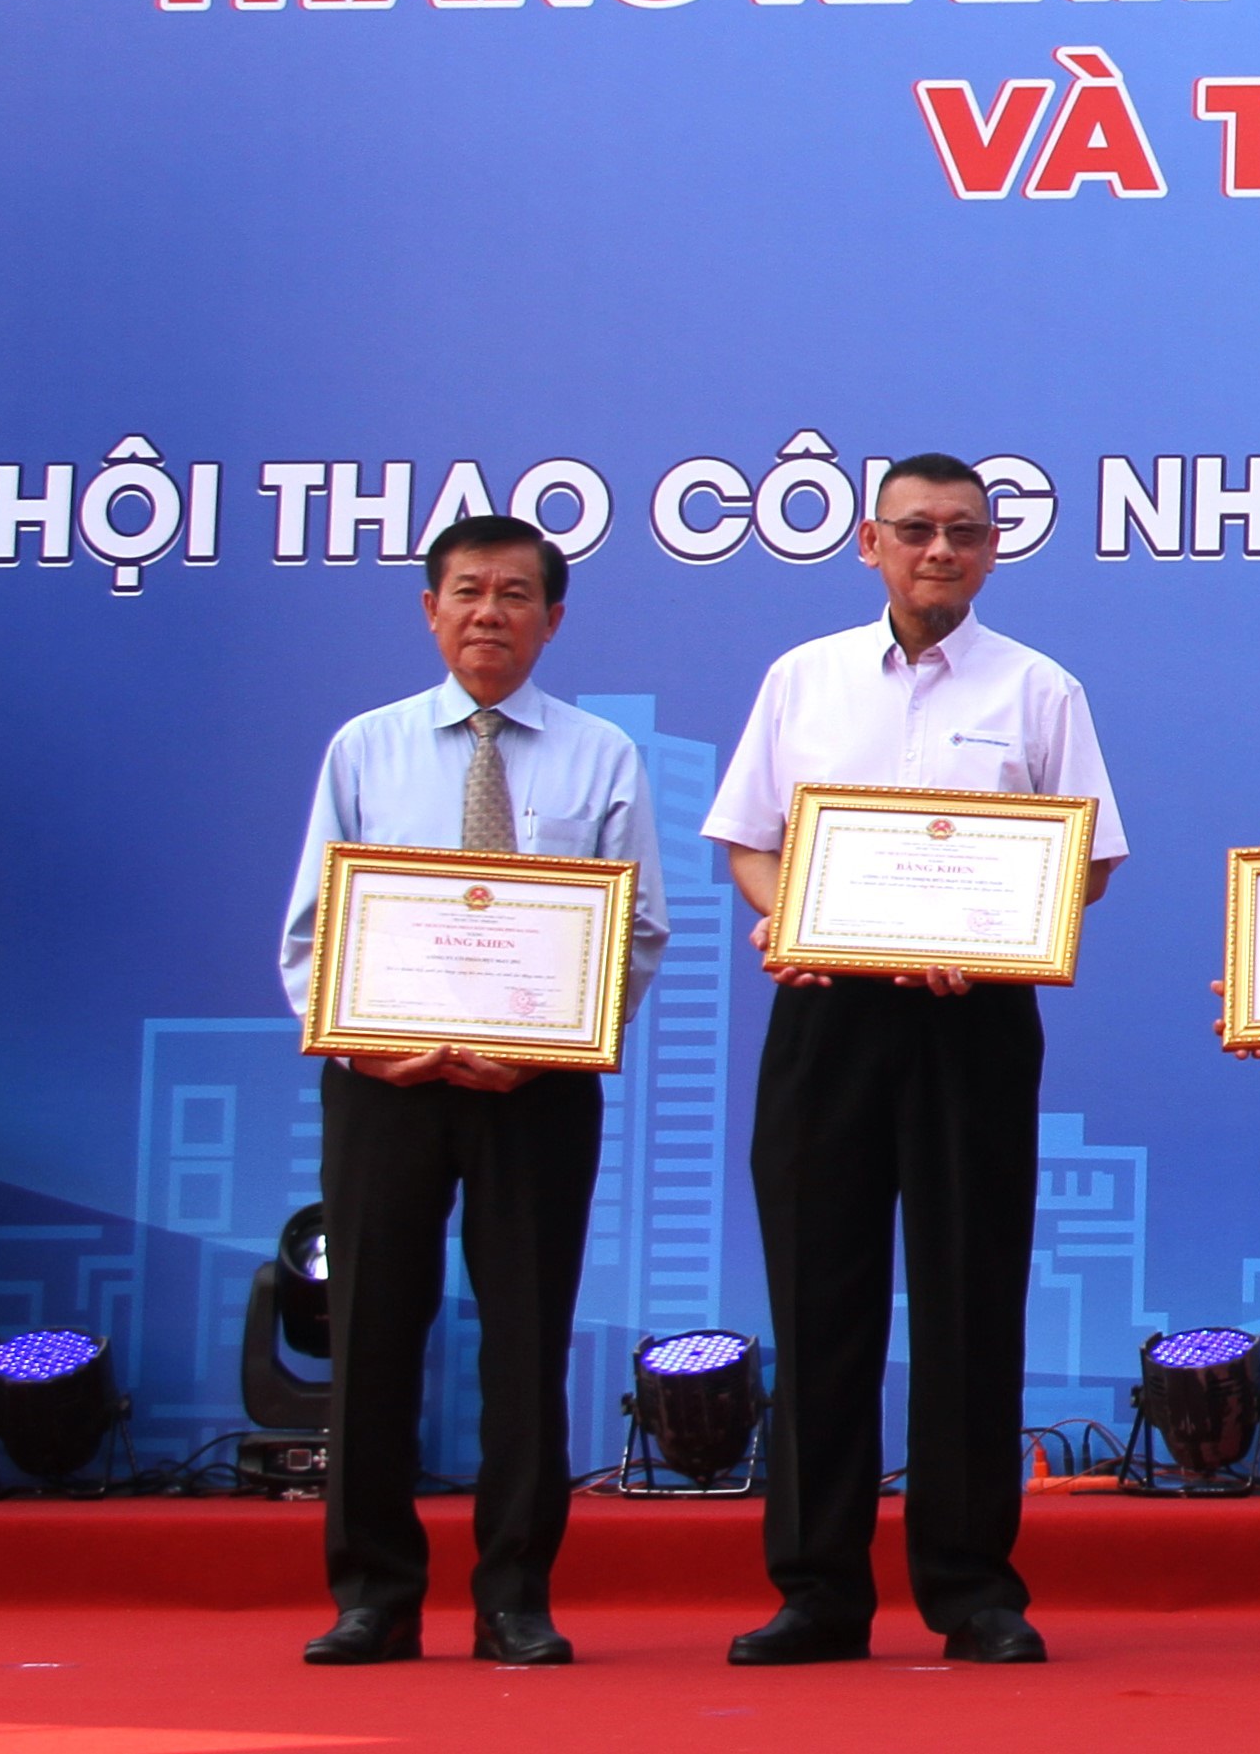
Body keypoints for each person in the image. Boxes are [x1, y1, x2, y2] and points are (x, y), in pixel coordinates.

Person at [707, 453, 1124, 1669]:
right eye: (916, 530)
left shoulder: (1040, 688)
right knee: (819, 1302)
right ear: (869, 544)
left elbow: (1089, 860)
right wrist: (791, 918)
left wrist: (998, 931)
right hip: (827, 1017)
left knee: (967, 1303)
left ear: (992, 549)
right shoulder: (805, 678)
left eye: (964, 532)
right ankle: (818, 1589)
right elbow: (748, 839)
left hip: (974, 1025)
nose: (940, 550)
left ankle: (971, 1585)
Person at [278, 516, 665, 1669]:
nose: (487, 612)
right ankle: (374, 1596)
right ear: (430, 609)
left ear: (553, 616)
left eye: (512, 593)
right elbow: (312, 931)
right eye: (465, 591)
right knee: (374, 1336)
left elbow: (635, 931)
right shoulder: (367, 747)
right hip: (383, 1084)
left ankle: (515, 1597)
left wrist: (549, 1047)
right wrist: (361, 1043)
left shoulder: (601, 756)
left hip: (534, 1090)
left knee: (526, 1341)